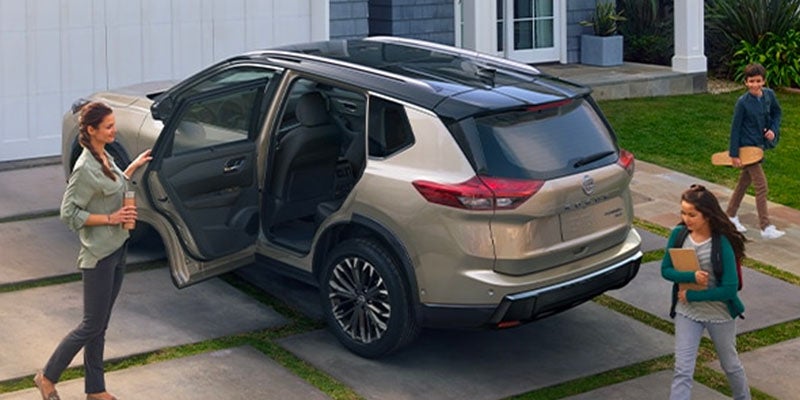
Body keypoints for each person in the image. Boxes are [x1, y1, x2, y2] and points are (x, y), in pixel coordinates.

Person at [34, 102, 152, 400]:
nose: (114, 130)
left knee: (100, 325)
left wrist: (134, 166)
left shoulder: (104, 156)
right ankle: (46, 377)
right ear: (91, 130)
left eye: (113, 125)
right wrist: (111, 218)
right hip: (99, 256)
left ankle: (96, 390)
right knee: (91, 325)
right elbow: (68, 212)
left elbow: (113, 184)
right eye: (108, 127)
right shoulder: (85, 168)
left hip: (118, 248)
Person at [662, 184, 750, 400]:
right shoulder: (678, 235)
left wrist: (693, 295)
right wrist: (691, 277)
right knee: (682, 369)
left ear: (707, 215)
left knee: (730, 365)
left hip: (718, 314)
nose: (686, 219)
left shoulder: (722, 243)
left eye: (692, 214)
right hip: (687, 312)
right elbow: (666, 269)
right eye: (683, 213)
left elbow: (729, 289)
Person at [725, 63, 784, 239]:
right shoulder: (742, 103)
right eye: (751, 81)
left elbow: (777, 113)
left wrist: (773, 130)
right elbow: (735, 128)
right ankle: (765, 227)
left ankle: (730, 215)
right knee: (761, 186)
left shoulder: (769, 95)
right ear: (746, 82)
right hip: (746, 149)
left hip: (759, 147)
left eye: (758, 81)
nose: (755, 85)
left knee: (743, 183)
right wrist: (734, 154)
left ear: (763, 81)